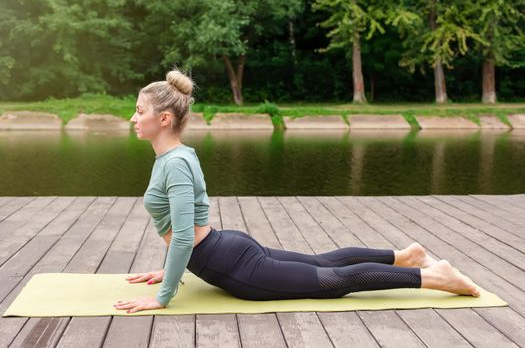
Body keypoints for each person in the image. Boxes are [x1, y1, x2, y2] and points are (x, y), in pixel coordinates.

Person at [113, 67, 480, 314]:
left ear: (163, 119)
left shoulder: (174, 163)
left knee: (331, 281)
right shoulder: (174, 157)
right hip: (224, 249)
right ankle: (406, 256)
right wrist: (172, 269)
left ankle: (433, 277)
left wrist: (162, 297)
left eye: (138, 111)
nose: (133, 118)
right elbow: (186, 229)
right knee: (323, 262)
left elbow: (181, 238)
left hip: (226, 260)